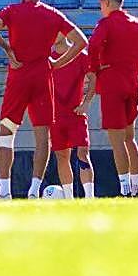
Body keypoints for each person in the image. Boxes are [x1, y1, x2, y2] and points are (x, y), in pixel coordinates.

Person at [0, 0, 88, 199]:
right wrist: (57, 63)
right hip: (42, 76)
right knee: (42, 136)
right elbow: (81, 41)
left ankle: (4, 191)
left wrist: (8, 49)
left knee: (7, 132)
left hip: (18, 76)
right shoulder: (52, 14)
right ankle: (34, 191)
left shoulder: (13, 10)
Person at [85, 0, 138, 197]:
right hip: (131, 83)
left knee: (117, 139)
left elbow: (93, 47)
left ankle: (125, 188)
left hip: (112, 84)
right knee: (130, 137)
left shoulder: (107, 24)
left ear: (107, 2)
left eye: (101, 4)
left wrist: (94, 70)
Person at [54, 33, 95, 199]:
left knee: (83, 153)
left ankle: (90, 197)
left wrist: (86, 103)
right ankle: (69, 198)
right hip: (55, 117)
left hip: (76, 115)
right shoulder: (47, 58)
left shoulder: (80, 55)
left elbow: (93, 78)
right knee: (62, 156)